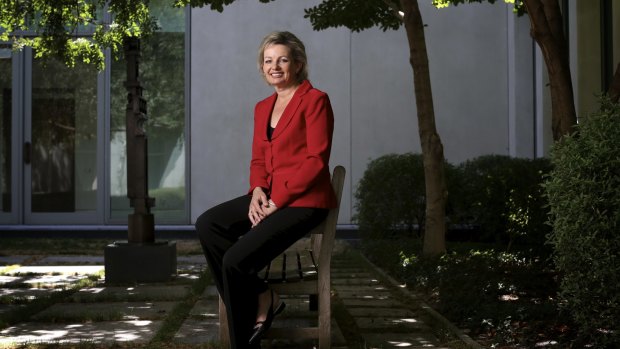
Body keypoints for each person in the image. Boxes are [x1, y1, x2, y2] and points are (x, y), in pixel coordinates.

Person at [195, 31, 337, 349]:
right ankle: (263, 295)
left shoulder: (315, 100)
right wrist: (258, 189)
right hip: (270, 194)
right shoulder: (263, 107)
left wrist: (277, 201)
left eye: (282, 60)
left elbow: (316, 161)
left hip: (305, 201)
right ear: (261, 67)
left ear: (298, 64)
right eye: (268, 60)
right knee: (207, 224)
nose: (274, 66)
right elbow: (258, 157)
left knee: (234, 261)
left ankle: (245, 341)